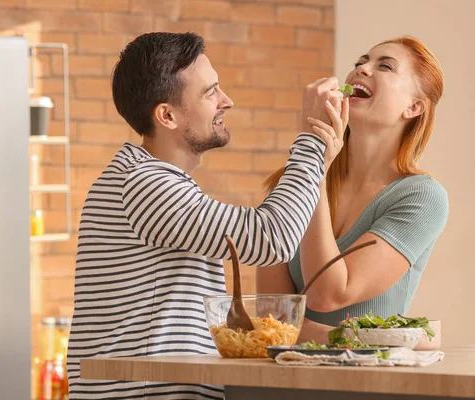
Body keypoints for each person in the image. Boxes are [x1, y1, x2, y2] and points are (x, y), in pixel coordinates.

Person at [66, 32, 346, 400]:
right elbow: (272, 239)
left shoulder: (149, 181)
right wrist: (311, 140)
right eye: (210, 92)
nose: (226, 100)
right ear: (166, 115)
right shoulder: (143, 184)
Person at [257, 36, 449, 343]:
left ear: (413, 107)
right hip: (282, 381)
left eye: (384, 66)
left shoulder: (422, 197)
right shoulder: (292, 181)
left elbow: (329, 294)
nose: (362, 69)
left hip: (367, 384)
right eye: (360, 62)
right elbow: (269, 317)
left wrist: (314, 172)